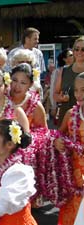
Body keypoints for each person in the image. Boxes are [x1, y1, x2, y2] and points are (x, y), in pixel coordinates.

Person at [54, 72, 84, 225]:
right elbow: (58, 134)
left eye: (83, 90)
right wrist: (58, 141)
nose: (79, 94)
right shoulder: (71, 114)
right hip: (73, 177)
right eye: (76, 90)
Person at [54, 37, 84, 126]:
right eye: (77, 49)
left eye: (83, 49)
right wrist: (61, 98)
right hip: (65, 119)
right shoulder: (63, 71)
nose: (79, 52)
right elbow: (55, 94)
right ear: (73, 51)